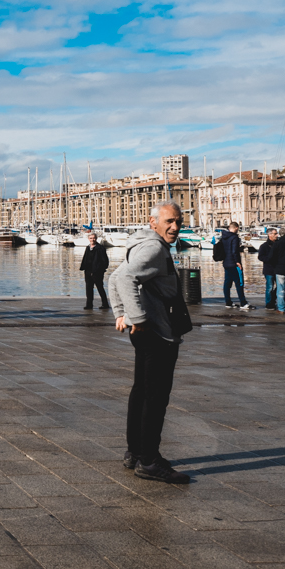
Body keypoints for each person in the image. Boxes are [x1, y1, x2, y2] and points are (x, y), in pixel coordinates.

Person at [109, 199, 191, 484]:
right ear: (153, 222)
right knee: (155, 398)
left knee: (141, 393)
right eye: (169, 221)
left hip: (147, 333)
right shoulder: (154, 247)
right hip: (157, 334)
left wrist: (122, 313)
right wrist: (138, 318)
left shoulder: (143, 245)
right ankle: (150, 461)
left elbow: (115, 277)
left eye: (178, 221)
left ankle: (136, 452)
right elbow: (126, 278)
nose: (175, 226)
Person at [219, 222, 253, 310]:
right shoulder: (234, 237)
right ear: (236, 228)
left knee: (227, 284)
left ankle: (228, 302)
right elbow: (234, 251)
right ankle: (243, 303)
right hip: (233, 263)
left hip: (226, 263)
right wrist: (238, 262)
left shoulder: (224, 237)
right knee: (239, 283)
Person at [80, 232, 111, 310]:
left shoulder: (100, 248)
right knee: (89, 288)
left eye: (94, 238)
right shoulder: (87, 248)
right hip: (88, 271)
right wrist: (83, 268)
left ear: (96, 238)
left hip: (97, 272)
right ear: (88, 239)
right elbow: (85, 258)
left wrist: (102, 269)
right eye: (91, 238)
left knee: (100, 287)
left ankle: (105, 304)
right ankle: (89, 305)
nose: (92, 240)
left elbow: (105, 260)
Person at [257, 228, 280, 310]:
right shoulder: (264, 246)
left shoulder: (279, 244)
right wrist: (268, 259)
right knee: (269, 287)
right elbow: (260, 257)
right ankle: (269, 303)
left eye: (276, 233)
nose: (277, 235)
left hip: (278, 269)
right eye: (275, 234)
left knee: (279, 286)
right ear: (269, 235)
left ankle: (273, 299)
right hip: (269, 269)